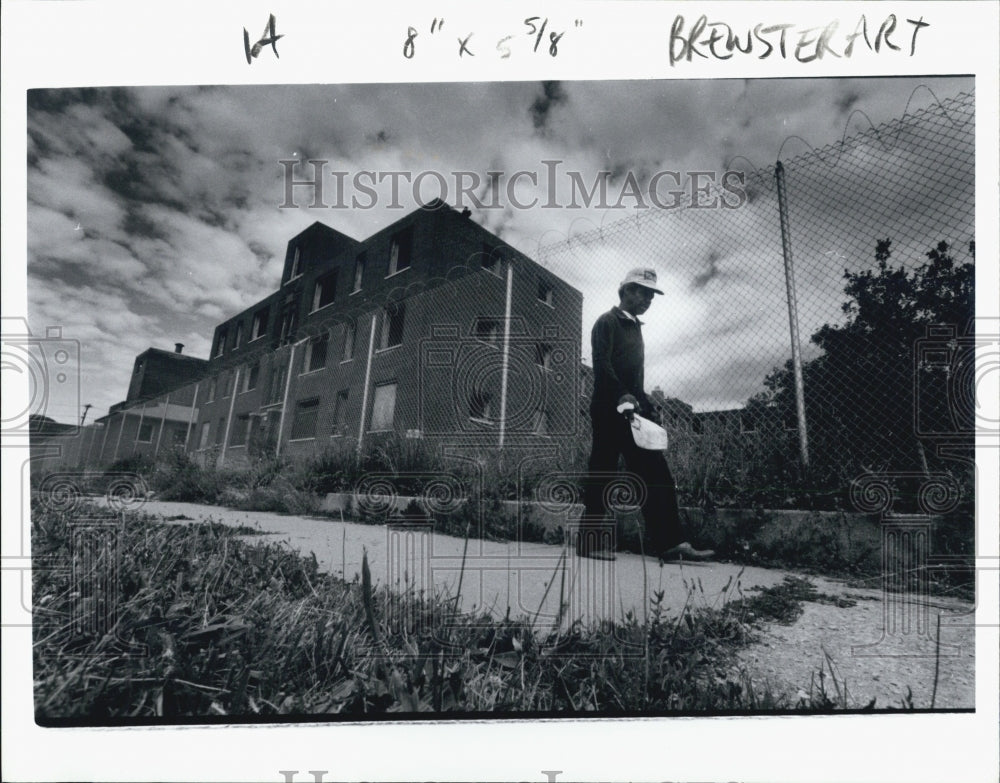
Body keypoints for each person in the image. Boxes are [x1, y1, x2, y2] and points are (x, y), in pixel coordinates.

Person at [578, 267, 714, 562]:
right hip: (607, 408)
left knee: (656, 473)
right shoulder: (607, 322)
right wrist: (621, 394)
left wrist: (646, 404)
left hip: (631, 412)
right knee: (603, 471)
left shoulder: (635, 327)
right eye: (642, 291)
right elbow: (602, 366)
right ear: (625, 291)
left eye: (651, 294)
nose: (648, 298)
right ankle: (588, 542)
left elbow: (635, 378)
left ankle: (670, 543)